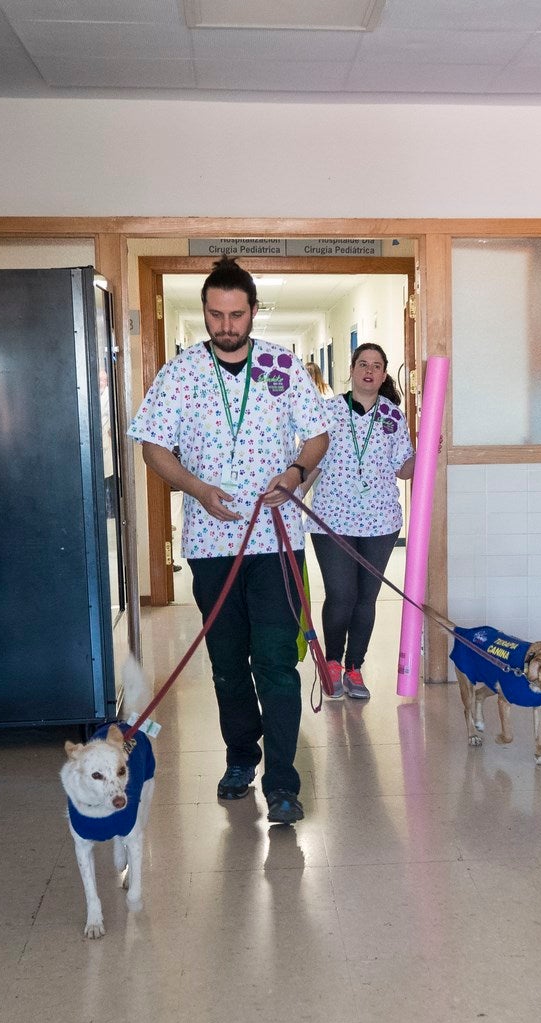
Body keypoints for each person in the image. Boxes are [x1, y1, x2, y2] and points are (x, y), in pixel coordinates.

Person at [128, 258, 330, 825]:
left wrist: (292, 475)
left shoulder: (283, 366)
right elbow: (154, 448)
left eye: (236, 314)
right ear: (205, 313)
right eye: (215, 315)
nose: (225, 325)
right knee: (226, 663)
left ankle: (284, 783)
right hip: (211, 544)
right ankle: (242, 757)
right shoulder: (181, 373)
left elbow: (316, 436)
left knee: (275, 662)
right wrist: (194, 486)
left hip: (278, 541)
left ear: (253, 312)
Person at [308, 343, 416, 701]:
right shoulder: (327, 412)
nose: (369, 370)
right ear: (352, 369)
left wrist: (430, 447)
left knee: (366, 599)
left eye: (377, 366)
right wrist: (290, 499)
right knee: (341, 595)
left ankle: (355, 667)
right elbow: (313, 462)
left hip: (381, 522)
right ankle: (333, 663)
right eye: (363, 364)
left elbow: (404, 470)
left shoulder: (393, 416)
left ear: (384, 374)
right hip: (332, 519)